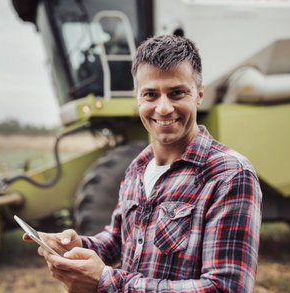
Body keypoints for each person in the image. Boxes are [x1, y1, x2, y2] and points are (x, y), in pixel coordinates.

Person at [23, 35, 262, 293]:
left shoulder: (230, 175)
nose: (163, 108)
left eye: (177, 93)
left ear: (199, 95)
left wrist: (106, 281)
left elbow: (225, 288)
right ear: (138, 99)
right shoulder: (138, 166)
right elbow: (118, 238)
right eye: (151, 95)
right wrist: (77, 245)